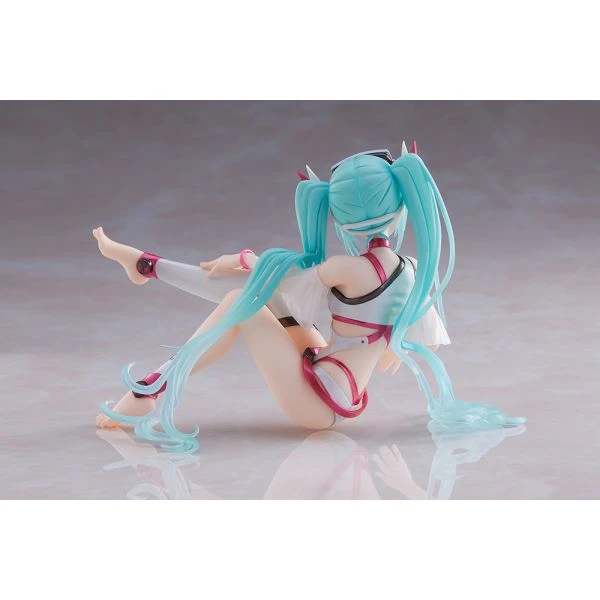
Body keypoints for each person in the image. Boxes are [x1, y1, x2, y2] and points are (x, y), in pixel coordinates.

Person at [92, 145, 524, 453]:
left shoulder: (347, 269)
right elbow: (422, 339)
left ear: (338, 218)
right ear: (401, 207)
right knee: (254, 297)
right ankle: (147, 266)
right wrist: (389, 347)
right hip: (336, 383)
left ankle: (148, 388)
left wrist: (244, 258)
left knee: (240, 303)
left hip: (319, 401)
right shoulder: (412, 269)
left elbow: (276, 282)